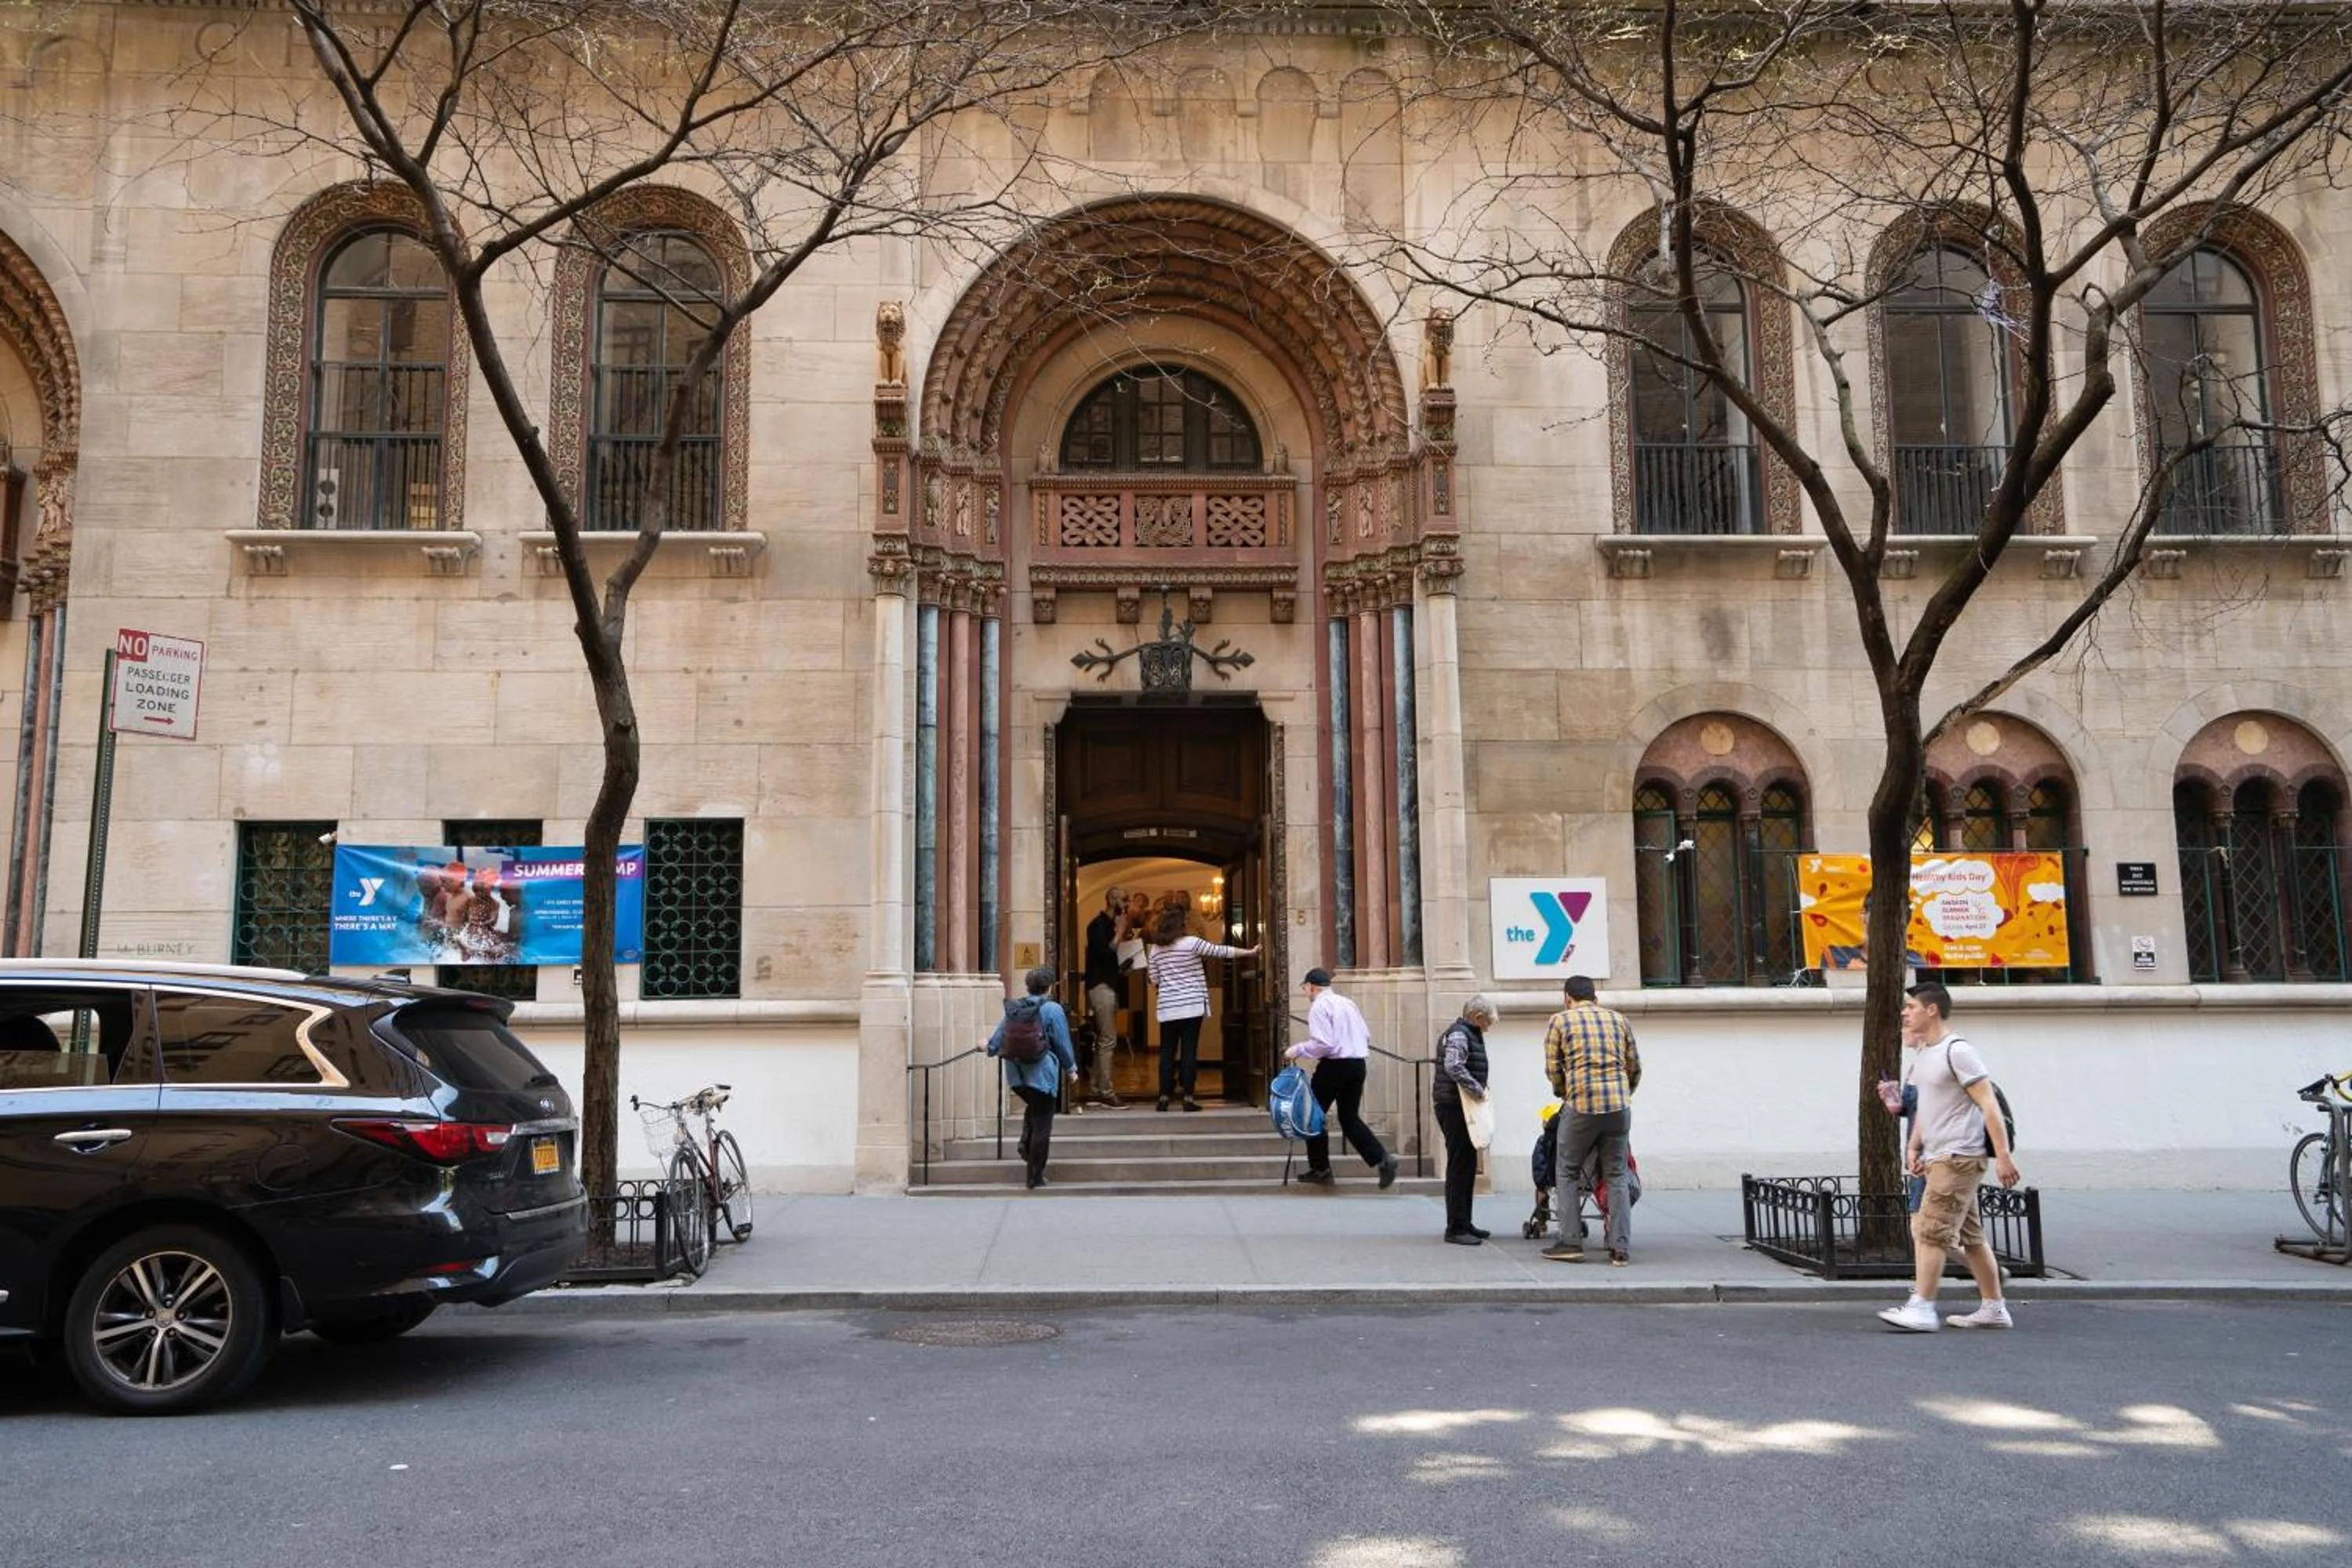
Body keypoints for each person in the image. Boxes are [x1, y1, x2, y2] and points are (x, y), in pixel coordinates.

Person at [1878, 981, 2020, 1332]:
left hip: (1959, 1154)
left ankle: (1922, 1308)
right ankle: (1994, 1309)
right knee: (1971, 1238)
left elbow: (1988, 1104)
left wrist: (2003, 1156)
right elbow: (1927, 1109)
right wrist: (1914, 1147)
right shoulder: (1925, 1055)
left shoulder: (1957, 1051)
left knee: (1930, 1231)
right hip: (1939, 1155)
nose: (1905, 1013)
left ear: (1932, 1010)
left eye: (1911, 1007)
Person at [1541, 975, 1639, 1265]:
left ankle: (1571, 1242)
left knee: (1567, 1171)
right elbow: (1634, 1066)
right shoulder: (1619, 1020)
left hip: (1582, 1104)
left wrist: (1564, 1092)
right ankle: (1620, 1247)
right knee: (1617, 1173)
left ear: (1567, 998)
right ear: (1596, 998)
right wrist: (1624, 1093)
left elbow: (1552, 1068)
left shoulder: (1560, 1020)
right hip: (1619, 1106)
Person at [1284, 967, 1401, 1189]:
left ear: (1312, 987)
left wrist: (1298, 1050)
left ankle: (1321, 1169)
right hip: (1357, 1064)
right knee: (1349, 1118)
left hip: (1334, 1066)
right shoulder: (1347, 1003)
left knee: (1312, 1115)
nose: (1306, 992)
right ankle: (1383, 1159)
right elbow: (1366, 1035)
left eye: (1305, 988)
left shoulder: (1319, 1006)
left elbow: (1324, 1044)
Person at [1144, 904, 1256, 1111]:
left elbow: (1154, 979)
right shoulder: (1192, 943)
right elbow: (1220, 951)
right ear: (1181, 925)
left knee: (1167, 1052)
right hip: (1191, 1006)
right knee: (1189, 1051)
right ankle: (1188, 1098)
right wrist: (1249, 952)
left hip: (1168, 1007)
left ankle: (1164, 1097)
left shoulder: (1156, 950)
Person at [985, 966, 1079, 1189]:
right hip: (1042, 1076)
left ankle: (1025, 1142)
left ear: (1028, 987)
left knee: (1035, 1110)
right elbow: (1062, 1043)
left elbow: (998, 1037)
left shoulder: (1017, 1008)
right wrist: (1071, 1069)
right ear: (1049, 988)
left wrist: (988, 1047)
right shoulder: (1053, 1009)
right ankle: (1034, 1175)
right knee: (1043, 1124)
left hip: (1016, 1076)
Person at [1432, 995, 1496, 1242]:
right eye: (1487, 1022)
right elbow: (1453, 1065)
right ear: (1478, 1017)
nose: (1488, 1027)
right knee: (1460, 1166)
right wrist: (1477, 1089)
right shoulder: (1460, 1034)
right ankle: (1456, 1228)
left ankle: (1465, 1223)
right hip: (1454, 1106)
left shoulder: (1467, 1033)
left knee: (1467, 1166)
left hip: (1458, 1106)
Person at [1080, 885, 1129, 1108]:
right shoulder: (1097, 926)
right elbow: (1103, 954)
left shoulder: (1111, 925)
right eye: (1123, 899)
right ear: (1111, 900)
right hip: (1101, 987)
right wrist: (1120, 933)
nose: (1126, 904)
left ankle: (1095, 1091)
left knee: (1103, 1039)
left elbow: (1110, 960)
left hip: (1109, 985)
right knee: (1109, 1039)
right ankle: (1107, 1093)